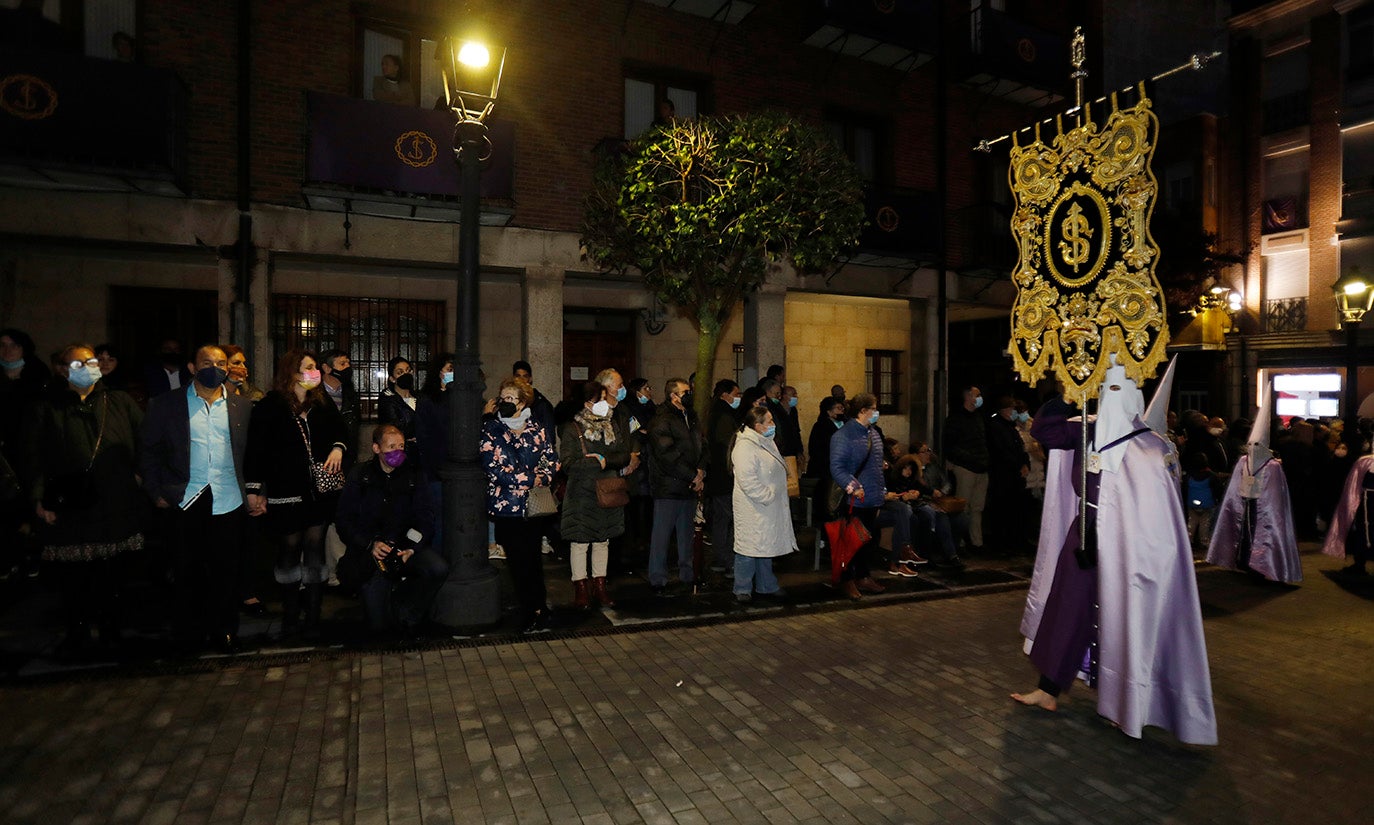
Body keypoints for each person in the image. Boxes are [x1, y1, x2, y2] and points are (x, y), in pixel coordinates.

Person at [1012, 358, 1217, 746]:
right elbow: (1046, 430)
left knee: (1125, 617)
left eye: (1116, 392)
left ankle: (1128, 703)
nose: (1110, 400)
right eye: (1106, 391)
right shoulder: (1085, 429)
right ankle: (1048, 689)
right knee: (1067, 609)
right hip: (1085, 536)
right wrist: (1070, 390)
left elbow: (1158, 514)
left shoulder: (1151, 446)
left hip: (1130, 549)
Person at [27, 344, 145, 655]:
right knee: (74, 578)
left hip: (115, 501)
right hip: (70, 503)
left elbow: (145, 440)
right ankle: (76, 635)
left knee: (113, 575)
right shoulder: (48, 406)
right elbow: (35, 457)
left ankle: (112, 633)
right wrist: (40, 499)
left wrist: (140, 474)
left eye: (91, 361)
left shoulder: (119, 401)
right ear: (63, 370)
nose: (88, 366)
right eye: (78, 363)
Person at [140, 344, 251, 653]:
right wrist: (156, 491)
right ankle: (188, 634)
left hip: (228, 497)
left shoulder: (241, 406)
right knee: (187, 570)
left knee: (226, 570)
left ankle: (224, 630)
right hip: (186, 498)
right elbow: (148, 452)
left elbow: (251, 454)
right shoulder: (165, 405)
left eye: (219, 362)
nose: (214, 367)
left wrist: (257, 491)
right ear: (192, 367)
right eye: (206, 362)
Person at [245, 350, 349, 639]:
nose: (315, 372)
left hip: (318, 493)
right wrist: (254, 489)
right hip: (286, 491)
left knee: (315, 549)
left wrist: (338, 447)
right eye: (309, 367)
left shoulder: (322, 403)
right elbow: (256, 449)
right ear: (292, 372)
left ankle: (314, 617)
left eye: (315, 367)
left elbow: (342, 431)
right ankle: (290, 616)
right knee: (290, 549)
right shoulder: (271, 406)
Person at [336, 425, 446, 636]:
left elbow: (425, 518)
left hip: (403, 546)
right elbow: (344, 520)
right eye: (391, 446)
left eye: (401, 446)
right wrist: (370, 544)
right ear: (376, 448)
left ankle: (406, 611)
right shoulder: (361, 475)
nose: (397, 451)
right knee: (379, 628)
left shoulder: (414, 475)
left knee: (437, 568)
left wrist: (411, 548)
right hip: (371, 552)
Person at [482, 378, 557, 631]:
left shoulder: (537, 428)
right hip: (507, 509)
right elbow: (493, 467)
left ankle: (540, 608)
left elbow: (550, 458)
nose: (504, 402)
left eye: (510, 398)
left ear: (522, 402)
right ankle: (529, 610)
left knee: (533, 561)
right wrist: (528, 478)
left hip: (533, 507)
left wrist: (543, 477)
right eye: (502, 398)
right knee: (518, 564)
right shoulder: (492, 429)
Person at [1206, 405, 1302, 583]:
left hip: (1262, 507)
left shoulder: (1272, 466)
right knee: (1244, 533)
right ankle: (1243, 560)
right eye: (1250, 444)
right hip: (1246, 503)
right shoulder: (1244, 460)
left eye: (1256, 444)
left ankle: (1260, 564)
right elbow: (1236, 484)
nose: (1252, 447)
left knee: (1261, 534)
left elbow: (1275, 495)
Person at [559, 381, 634, 607]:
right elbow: (568, 463)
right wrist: (596, 464)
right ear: (586, 403)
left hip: (607, 492)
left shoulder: (612, 425)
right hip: (581, 494)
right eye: (599, 399)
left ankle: (600, 586)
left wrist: (604, 461)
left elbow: (623, 455)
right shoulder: (573, 428)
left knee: (603, 540)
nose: (604, 404)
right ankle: (581, 588)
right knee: (580, 542)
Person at [646, 378, 706, 596]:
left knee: (686, 533)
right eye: (685, 392)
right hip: (668, 487)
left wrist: (700, 470)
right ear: (673, 395)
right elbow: (667, 455)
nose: (689, 395)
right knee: (662, 535)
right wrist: (692, 475)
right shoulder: (662, 420)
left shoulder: (691, 416)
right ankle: (658, 578)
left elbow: (702, 445)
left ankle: (687, 573)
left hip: (689, 486)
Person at [731, 406, 795, 602]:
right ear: (758, 426)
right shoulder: (745, 447)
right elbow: (747, 480)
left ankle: (766, 584)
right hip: (754, 506)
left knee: (765, 545)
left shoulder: (765, 441)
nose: (773, 425)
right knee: (748, 547)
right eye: (769, 421)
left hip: (766, 507)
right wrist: (767, 495)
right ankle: (742, 587)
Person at [828, 392, 888, 600]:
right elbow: (837, 467)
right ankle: (846, 579)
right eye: (873, 408)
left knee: (867, 541)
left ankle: (863, 576)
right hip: (855, 499)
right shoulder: (843, 435)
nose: (876, 412)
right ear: (863, 411)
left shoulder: (873, 433)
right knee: (850, 542)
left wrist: (882, 488)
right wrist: (853, 486)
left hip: (873, 497)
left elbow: (876, 463)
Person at [944, 385, 990, 552]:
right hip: (966, 467)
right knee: (963, 506)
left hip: (981, 467)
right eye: (977, 395)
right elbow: (951, 444)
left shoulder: (978, 417)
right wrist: (968, 458)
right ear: (969, 396)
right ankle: (960, 541)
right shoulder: (956, 418)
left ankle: (977, 541)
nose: (979, 398)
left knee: (978, 508)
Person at [704, 379, 743, 573]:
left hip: (718, 476)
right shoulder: (724, 416)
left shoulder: (718, 413)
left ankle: (721, 558)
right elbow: (729, 446)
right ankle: (729, 559)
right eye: (736, 394)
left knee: (721, 519)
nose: (738, 398)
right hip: (724, 476)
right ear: (724, 395)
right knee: (730, 518)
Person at [985, 395, 1030, 554]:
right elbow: (1001, 451)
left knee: (1016, 510)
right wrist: (1018, 465)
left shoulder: (1011, 427)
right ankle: (1001, 544)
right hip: (1003, 475)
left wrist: (1025, 464)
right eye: (1011, 409)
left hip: (1016, 475)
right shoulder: (996, 426)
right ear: (1004, 410)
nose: (1014, 412)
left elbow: (1021, 448)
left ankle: (1016, 540)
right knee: (1002, 510)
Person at [1324, 439, 1374, 577]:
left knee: (1365, 532)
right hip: (1366, 503)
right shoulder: (1366, 461)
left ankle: (1360, 563)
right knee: (1364, 532)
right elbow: (1353, 486)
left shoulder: (1365, 461)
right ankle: (1359, 563)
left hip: (1367, 502)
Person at [807, 396, 846, 523]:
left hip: (842, 471)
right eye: (838, 408)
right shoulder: (820, 427)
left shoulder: (846, 425)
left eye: (842, 408)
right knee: (827, 505)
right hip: (825, 472)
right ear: (828, 412)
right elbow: (816, 451)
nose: (841, 411)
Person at [320, 349, 361, 450]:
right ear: (326, 368)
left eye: (348, 363)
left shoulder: (351, 395)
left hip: (346, 452)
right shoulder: (315, 395)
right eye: (342, 364)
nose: (348, 367)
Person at [1184, 454, 1225, 554]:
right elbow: (1218, 490)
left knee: (1192, 522)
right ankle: (1204, 541)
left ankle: (1188, 540)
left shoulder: (1188, 476)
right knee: (1205, 523)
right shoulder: (1211, 476)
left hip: (1192, 503)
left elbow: (1184, 489)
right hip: (1207, 504)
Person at [377, 356, 419, 450]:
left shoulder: (420, 397)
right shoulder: (387, 398)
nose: (406, 374)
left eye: (408, 370)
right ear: (392, 379)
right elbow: (394, 426)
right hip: (400, 450)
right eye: (400, 372)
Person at [512, 360, 556, 440]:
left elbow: (549, 436)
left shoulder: (541, 404)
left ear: (530, 379)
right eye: (518, 376)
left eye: (525, 376)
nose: (521, 380)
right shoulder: (507, 401)